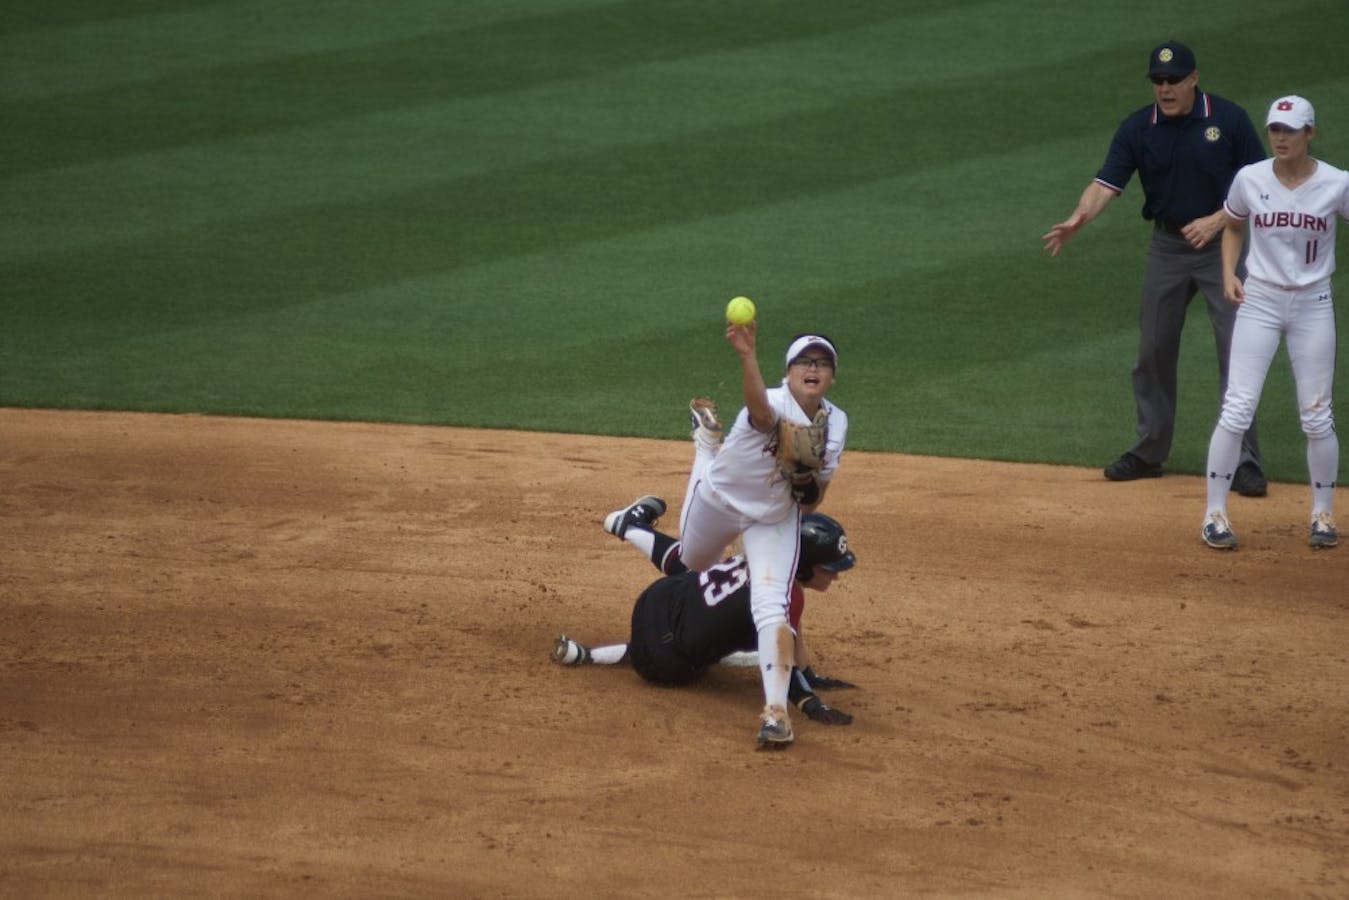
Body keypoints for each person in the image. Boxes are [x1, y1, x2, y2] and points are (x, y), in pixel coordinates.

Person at [1043, 40, 1268, 495]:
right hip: (1167, 246)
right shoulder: (1138, 128)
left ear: (1193, 79)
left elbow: (1263, 188)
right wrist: (1078, 217)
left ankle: (1244, 461)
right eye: (1158, 81)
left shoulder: (1229, 120)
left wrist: (1220, 218)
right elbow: (1106, 183)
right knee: (1153, 349)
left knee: (1237, 350)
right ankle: (1149, 450)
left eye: (1173, 80)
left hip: (1224, 246)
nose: (1164, 89)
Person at [659, 323, 848, 748]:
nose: (813, 368)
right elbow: (763, 415)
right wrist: (746, 356)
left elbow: (813, 503)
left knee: (770, 608)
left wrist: (806, 486)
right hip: (721, 499)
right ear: (788, 371)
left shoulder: (837, 422)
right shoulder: (771, 402)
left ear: (832, 375)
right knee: (691, 563)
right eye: (804, 361)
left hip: (773, 519)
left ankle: (776, 713)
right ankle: (706, 446)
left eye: (822, 363)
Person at [551, 503, 858, 729]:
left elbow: (792, 626)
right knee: (748, 640)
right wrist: (811, 703)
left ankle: (586, 653)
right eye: (828, 569)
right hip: (661, 666)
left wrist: (809, 672)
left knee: (696, 568)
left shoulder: (760, 559)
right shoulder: (785, 598)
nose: (836, 576)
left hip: (654, 599)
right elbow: (781, 663)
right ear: (803, 566)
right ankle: (593, 653)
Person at [1200, 95, 1346, 551]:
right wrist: (1229, 273)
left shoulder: (1337, 184)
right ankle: (1214, 513)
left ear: (1310, 133)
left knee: (1316, 414)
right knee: (1238, 406)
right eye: (1275, 130)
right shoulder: (1251, 178)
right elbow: (1234, 224)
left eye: (1290, 130)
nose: (1280, 138)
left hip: (1312, 304)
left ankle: (1323, 514)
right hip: (1260, 300)